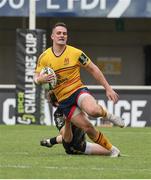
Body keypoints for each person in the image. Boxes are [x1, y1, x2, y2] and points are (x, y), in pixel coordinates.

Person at [34, 22, 125, 157]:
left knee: (93, 110)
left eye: (64, 33)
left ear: (67, 37)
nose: (62, 35)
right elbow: (36, 78)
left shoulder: (76, 53)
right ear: (52, 36)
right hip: (64, 101)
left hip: (77, 90)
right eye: (58, 33)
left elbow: (93, 69)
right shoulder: (44, 57)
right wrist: (40, 80)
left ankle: (109, 116)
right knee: (88, 127)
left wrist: (108, 88)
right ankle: (112, 150)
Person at [40, 92, 118, 156]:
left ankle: (50, 141)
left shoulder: (74, 103)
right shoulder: (58, 115)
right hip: (76, 147)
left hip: (82, 141)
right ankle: (50, 141)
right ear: (57, 103)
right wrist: (67, 121)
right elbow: (67, 139)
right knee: (110, 152)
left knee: (113, 150)